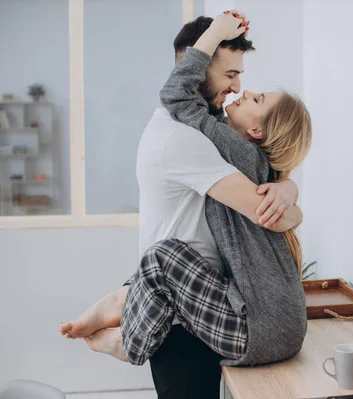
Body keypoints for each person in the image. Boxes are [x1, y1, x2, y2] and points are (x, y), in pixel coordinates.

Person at [60, 11, 311, 399]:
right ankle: (124, 301)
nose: (238, 88)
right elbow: (178, 92)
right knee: (159, 262)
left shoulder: (230, 146)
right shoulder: (190, 138)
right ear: (198, 67)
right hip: (255, 322)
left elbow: (177, 93)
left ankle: (126, 332)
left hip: (256, 324)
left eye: (249, 90)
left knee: (160, 259)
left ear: (258, 130)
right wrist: (289, 191)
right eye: (231, 76)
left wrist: (290, 199)